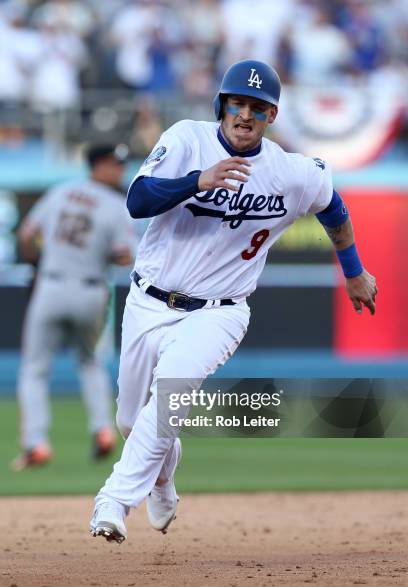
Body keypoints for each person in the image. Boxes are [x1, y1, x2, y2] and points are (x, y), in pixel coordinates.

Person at [90, 60, 377, 544]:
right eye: (238, 103)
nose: (246, 115)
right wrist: (197, 180)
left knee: (168, 403)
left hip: (220, 311)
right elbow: (138, 200)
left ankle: (113, 501)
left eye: (258, 108)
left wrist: (353, 272)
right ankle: (163, 475)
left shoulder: (291, 171)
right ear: (222, 105)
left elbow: (334, 209)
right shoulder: (187, 139)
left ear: (272, 116)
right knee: (128, 420)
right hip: (148, 300)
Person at [13, 144, 134, 471]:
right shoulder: (117, 206)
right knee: (90, 362)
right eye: (113, 164)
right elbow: (124, 256)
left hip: (51, 284)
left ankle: (35, 443)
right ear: (96, 165)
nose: (118, 170)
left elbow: (26, 235)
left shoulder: (61, 192)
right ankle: (102, 429)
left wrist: (38, 261)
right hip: (90, 289)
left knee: (35, 368)